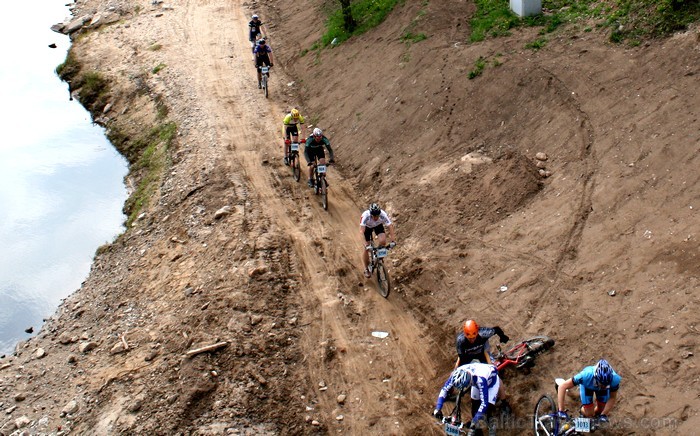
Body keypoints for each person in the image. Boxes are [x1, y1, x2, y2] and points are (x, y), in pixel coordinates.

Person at [433, 363, 501, 436]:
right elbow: (444, 390)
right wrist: (438, 408)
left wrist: (474, 420)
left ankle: (491, 427)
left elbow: (484, 403)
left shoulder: (480, 379)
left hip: (491, 383)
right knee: (474, 408)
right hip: (475, 381)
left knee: (487, 409)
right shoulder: (455, 374)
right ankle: (477, 430)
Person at [556, 359, 621, 423]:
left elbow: (612, 398)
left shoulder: (615, 380)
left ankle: (592, 416)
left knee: (600, 411)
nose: (602, 386)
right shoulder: (585, 375)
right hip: (587, 386)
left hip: (599, 389)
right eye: (601, 384)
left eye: (605, 384)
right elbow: (562, 386)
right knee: (589, 414)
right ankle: (583, 411)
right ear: (595, 376)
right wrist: (561, 410)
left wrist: (603, 414)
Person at [360, 203, 396, 278]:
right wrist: (366, 245)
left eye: (377, 216)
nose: (376, 217)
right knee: (366, 247)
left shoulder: (383, 214)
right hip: (367, 227)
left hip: (378, 226)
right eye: (374, 216)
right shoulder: (365, 216)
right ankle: (367, 269)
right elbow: (362, 231)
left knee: (383, 241)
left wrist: (393, 241)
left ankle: (378, 255)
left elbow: (390, 226)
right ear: (371, 214)